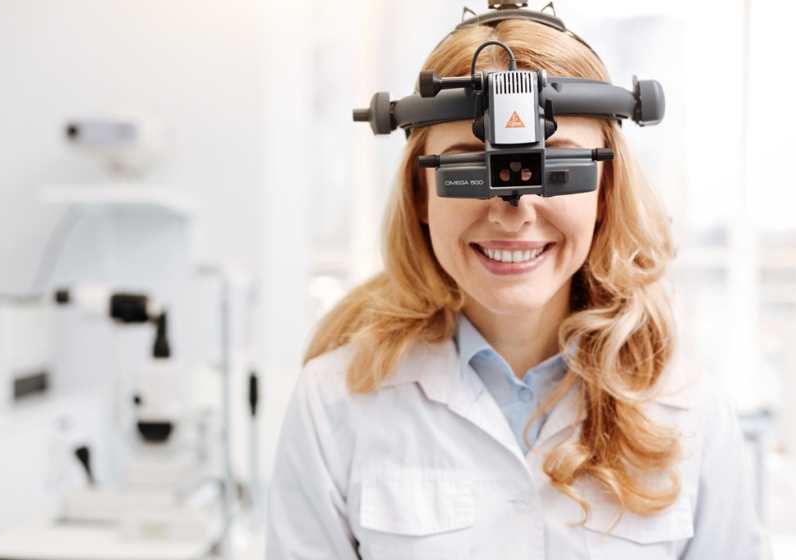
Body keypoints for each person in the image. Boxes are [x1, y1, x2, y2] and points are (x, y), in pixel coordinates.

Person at [265, 16, 767, 560]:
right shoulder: (334, 404)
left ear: (605, 190)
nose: (515, 209)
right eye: (471, 166)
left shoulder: (690, 411)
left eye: (555, 165)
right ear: (420, 193)